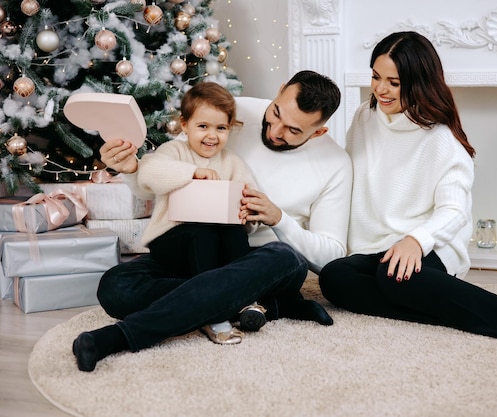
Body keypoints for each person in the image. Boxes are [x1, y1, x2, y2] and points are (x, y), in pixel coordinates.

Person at [73, 71, 353, 372]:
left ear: (318, 133)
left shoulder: (335, 165)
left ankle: (117, 337)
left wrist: (279, 219)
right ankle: (270, 304)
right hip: (188, 251)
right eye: (275, 113)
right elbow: (158, 178)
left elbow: (331, 258)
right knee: (115, 286)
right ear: (280, 90)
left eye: (293, 131)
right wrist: (130, 169)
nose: (275, 130)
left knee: (287, 258)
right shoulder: (226, 110)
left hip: (256, 261)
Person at [318, 31, 497, 349]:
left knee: (394, 278)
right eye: (376, 77)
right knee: (334, 278)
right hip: (374, 247)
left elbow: (455, 211)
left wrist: (415, 241)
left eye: (393, 82)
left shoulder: (442, 138)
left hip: (430, 245)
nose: (380, 89)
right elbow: (350, 170)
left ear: (418, 81)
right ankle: (447, 312)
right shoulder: (365, 117)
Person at [137, 82, 260, 345]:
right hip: (171, 242)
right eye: (202, 126)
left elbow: (250, 199)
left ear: (229, 129)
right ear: (185, 125)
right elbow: (148, 172)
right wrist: (192, 173)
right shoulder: (174, 151)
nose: (211, 136)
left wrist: (248, 213)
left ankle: (245, 301)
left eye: (221, 128)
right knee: (201, 231)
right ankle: (213, 316)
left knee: (233, 231)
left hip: (215, 249)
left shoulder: (232, 162)